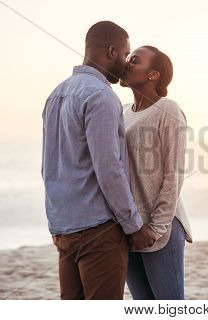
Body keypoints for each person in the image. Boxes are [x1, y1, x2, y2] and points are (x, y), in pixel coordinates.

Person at [41, 21, 155, 300]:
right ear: (112, 51)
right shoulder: (101, 96)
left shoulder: (56, 94)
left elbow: (49, 167)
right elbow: (109, 170)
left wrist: (57, 223)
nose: (127, 62)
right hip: (98, 232)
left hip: (63, 229)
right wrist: (133, 226)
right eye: (126, 54)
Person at [119, 46, 193, 299]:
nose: (127, 63)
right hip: (130, 228)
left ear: (153, 75)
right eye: (128, 59)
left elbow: (174, 174)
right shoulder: (123, 111)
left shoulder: (168, 110)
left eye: (135, 60)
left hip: (160, 227)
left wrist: (156, 228)